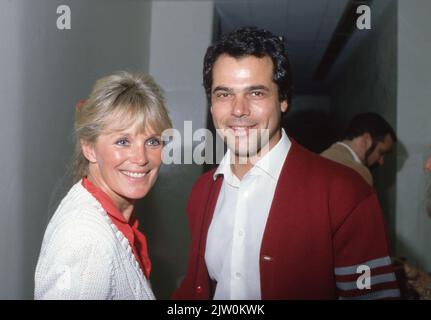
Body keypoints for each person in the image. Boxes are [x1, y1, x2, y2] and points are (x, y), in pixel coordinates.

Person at [173, 27, 400, 300]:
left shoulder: (346, 193)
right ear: (211, 104)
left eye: (256, 93)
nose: (238, 110)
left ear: (283, 100)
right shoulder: (202, 192)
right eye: (224, 94)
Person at [35, 71, 172, 299]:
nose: (141, 158)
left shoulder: (108, 219)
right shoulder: (86, 240)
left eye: (152, 141)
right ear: (89, 148)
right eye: (123, 141)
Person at [321, 113, 396, 186]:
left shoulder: (322, 156)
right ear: (366, 140)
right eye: (381, 152)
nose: (381, 162)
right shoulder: (359, 172)